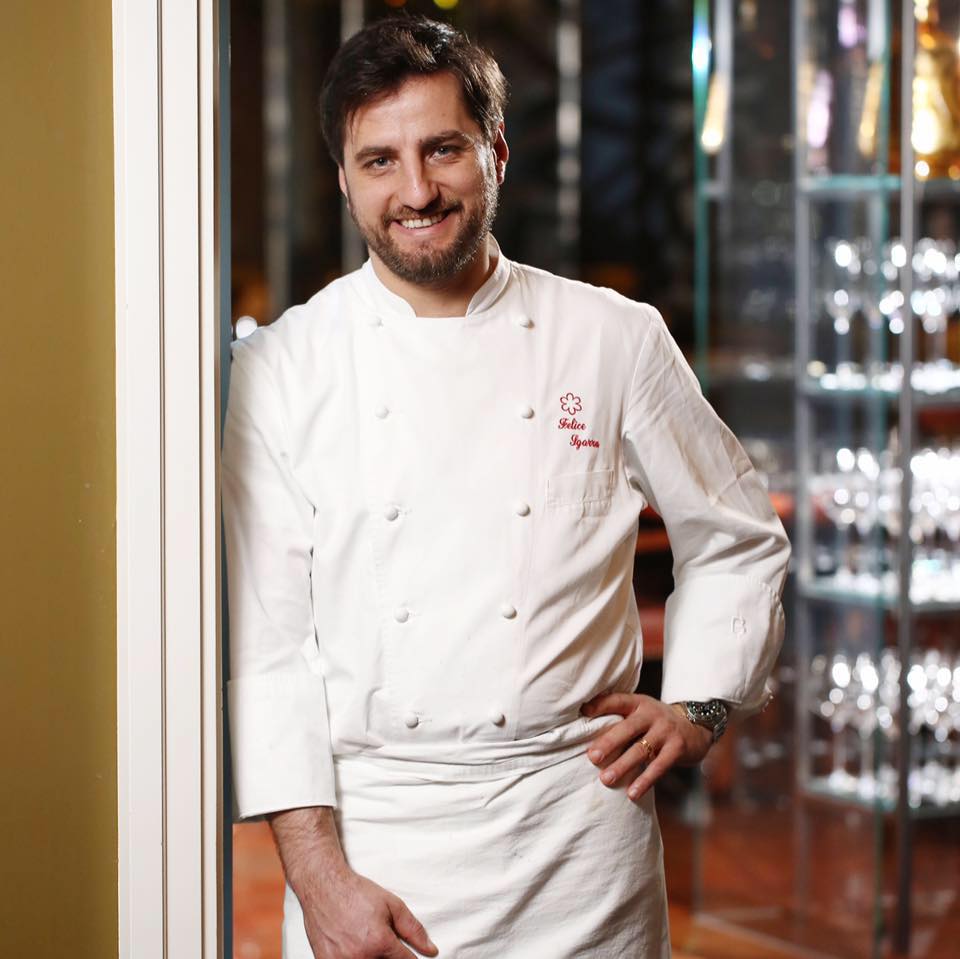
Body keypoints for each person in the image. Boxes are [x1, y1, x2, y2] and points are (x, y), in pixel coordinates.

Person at [222, 15, 790, 959]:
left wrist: (700, 705)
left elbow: (735, 534)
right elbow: (269, 648)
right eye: (379, 161)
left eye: (443, 149)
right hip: (377, 854)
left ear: (496, 152)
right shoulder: (283, 369)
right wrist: (319, 882)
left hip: (582, 847)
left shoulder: (612, 337)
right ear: (343, 179)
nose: (416, 191)